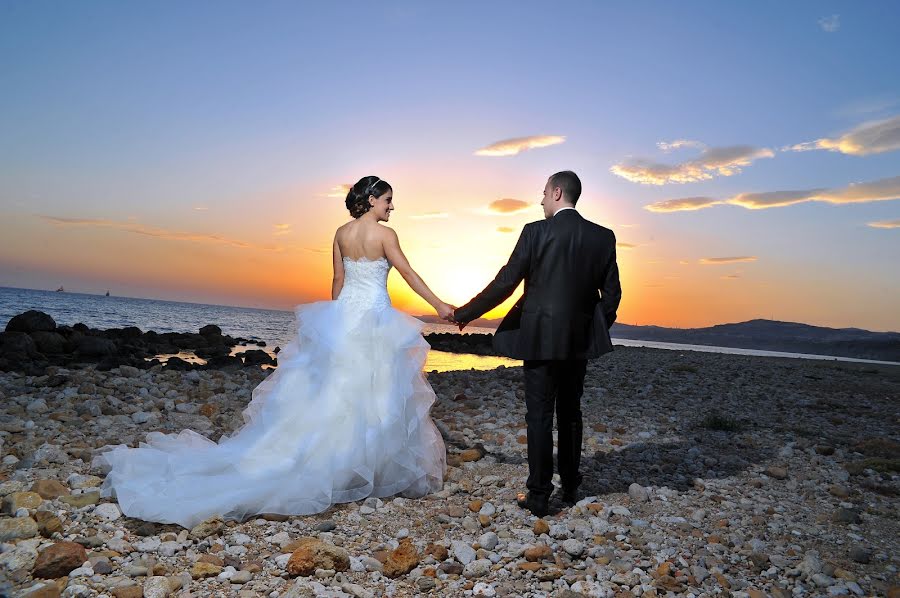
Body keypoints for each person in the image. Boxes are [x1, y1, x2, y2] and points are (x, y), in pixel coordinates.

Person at [94, 176, 449, 528]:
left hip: (343, 316)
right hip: (372, 317)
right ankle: (356, 467)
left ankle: (340, 462)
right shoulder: (385, 235)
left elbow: (338, 280)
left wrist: (336, 321)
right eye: (388, 199)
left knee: (334, 391)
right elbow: (406, 272)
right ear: (372, 200)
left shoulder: (341, 233)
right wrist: (439, 306)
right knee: (373, 391)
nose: (392, 206)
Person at [454, 171, 621, 517]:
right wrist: (592, 328)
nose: (540, 200)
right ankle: (572, 486)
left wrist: (466, 313)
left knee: (540, 417)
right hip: (578, 342)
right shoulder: (603, 237)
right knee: (571, 413)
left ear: (557, 192)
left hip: (540, 338)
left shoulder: (535, 231)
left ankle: (540, 496)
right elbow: (613, 295)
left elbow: (506, 281)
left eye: (544, 193)